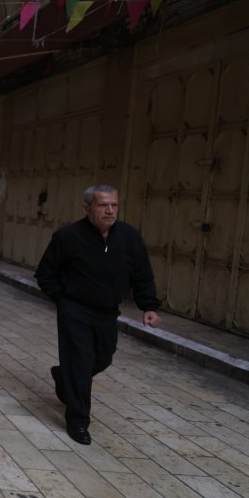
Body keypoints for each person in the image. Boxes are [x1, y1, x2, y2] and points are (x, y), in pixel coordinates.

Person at [34, 184, 162, 445]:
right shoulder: (67, 237)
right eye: (103, 205)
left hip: (107, 313)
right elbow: (45, 274)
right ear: (87, 208)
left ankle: (63, 376)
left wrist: (149, 306)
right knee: (80, 363)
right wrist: (63, 299)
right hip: (75, 311)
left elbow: (142, 274)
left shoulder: (128, 237)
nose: (110, 210)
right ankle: (78, 422)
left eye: (114, 205)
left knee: (103, 357)